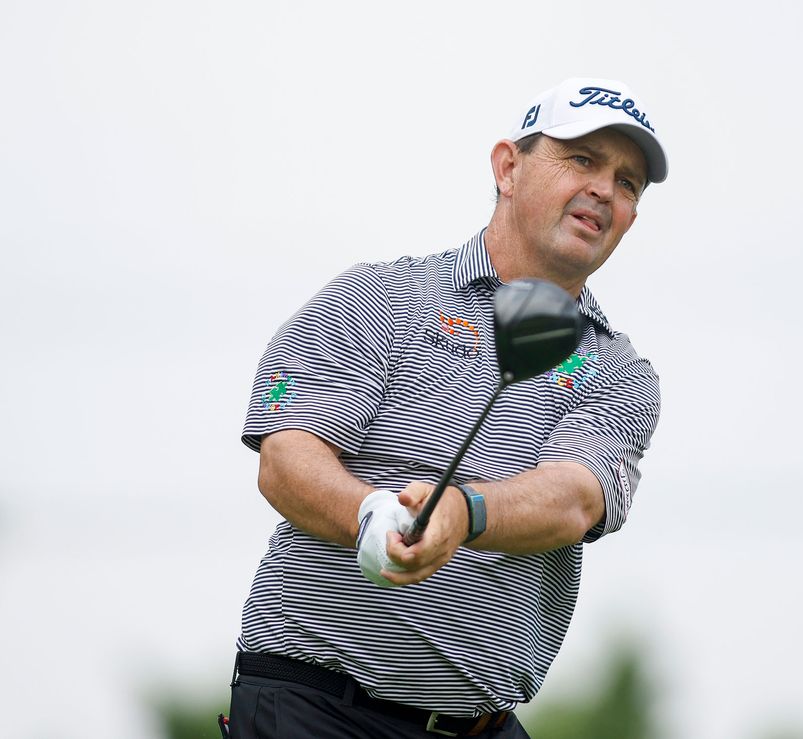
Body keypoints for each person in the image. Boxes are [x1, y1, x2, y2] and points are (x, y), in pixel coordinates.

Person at [225, 77, 668, 738]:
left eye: (627, 180)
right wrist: (369, 514)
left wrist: (464, 514)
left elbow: (574, 497)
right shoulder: (381, 298)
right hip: (314, 708)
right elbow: (286, 459)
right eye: (582, 159)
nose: (605, 188)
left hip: (480, 726)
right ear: (508, 168)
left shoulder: (619, 372)